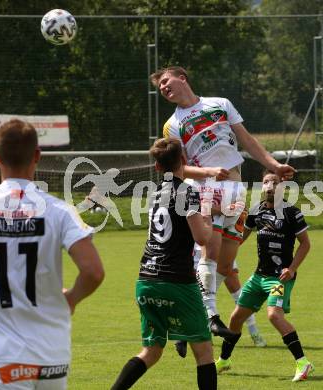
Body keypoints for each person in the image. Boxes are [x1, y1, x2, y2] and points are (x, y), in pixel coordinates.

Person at [150, 66, 295, 337]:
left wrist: (274, 165)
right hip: (206, 189)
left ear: (183, 78)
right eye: (160, 87)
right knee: (210, 251)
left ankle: (188, 310)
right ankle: (211, 317)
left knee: (227, 265)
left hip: (235, 190)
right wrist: (207, 172)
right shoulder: (172, 124)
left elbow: (247, 141)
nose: (163, 88)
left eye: (166, 81)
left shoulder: (220, 104)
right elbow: (177, 170)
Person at [0, 119, 104, 389]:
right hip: (50, 354)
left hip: (3, 358)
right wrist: (71, 299)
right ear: (37, 156)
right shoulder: (60, 210)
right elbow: (93, 271)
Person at [111, 137, 217, 390]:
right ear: (183, 160)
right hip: (176, 281)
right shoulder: (186, 192)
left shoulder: (155, 193)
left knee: (151, 350)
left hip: (146, 279)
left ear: (157, 167)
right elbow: (202, 238)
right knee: (204, 353)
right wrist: (208, 215)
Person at [215, 170, 314, 382]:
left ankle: (303, 363)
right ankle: (224, 360)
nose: (270, 185)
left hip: (279, 278)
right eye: (266, 181)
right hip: (259, 276)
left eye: (275, 182)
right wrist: (219, 252)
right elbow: (238, 238)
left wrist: (293, 268)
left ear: (282, 186)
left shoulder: (291, 213)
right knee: (235, 318)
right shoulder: (255, 212)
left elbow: (305, 244)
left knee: (274, 316)